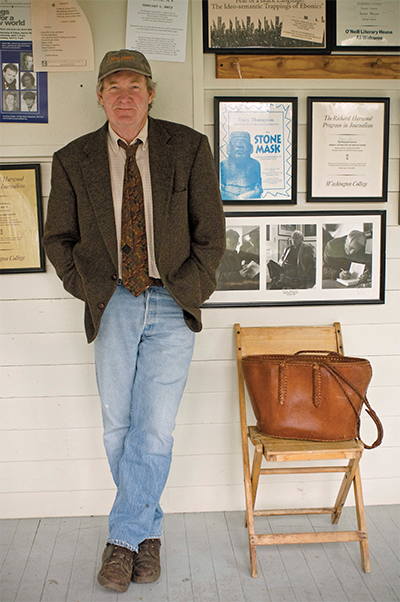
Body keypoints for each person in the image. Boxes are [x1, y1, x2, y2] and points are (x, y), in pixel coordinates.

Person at [43, 49, 225, 594]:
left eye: (135, 86)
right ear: (100, 96)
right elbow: (59, 240)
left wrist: (191, 286)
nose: (125, 96)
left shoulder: (188, 148)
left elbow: (210, 233)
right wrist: (93, 289)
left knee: (155, 428)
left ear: (150, 95)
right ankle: (149, 534)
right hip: (113, 301)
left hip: (172, 301)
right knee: (118, 427)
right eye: (114, 87)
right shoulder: (73, 159)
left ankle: (122, 543)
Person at [220, 131, 262, 200]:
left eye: (244, 141)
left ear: (250, 148)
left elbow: (258, 190)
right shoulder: (223, 165)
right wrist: (238, 198)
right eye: (235, 141)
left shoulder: (255, 164)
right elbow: (220, 190)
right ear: (229, 149)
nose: (239, 145)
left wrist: (241, 197)